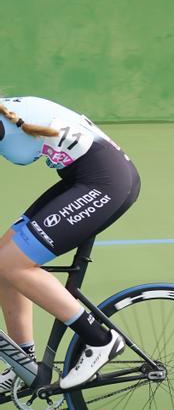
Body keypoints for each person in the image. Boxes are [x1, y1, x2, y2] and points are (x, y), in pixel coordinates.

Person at [0, 96, 140, 392]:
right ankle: (24, 364)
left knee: (12, 263)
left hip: (105, 183)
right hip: (86, 178)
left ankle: (100, 340)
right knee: (2, 262)